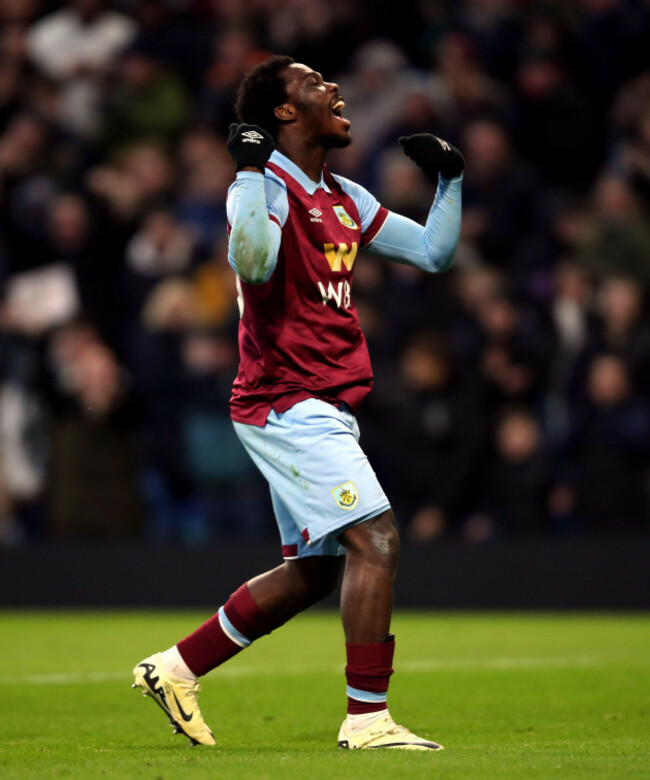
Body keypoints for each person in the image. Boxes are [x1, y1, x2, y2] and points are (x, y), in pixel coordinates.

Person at [132, 54, 464, 751]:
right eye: (316, 84)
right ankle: (368, 719)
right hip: (288, 399)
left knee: (316, 570)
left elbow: (433, 251)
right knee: (376, 539)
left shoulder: (344, 195)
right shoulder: (265, 187)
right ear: (284, 113)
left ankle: (176, 667)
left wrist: (451, 180)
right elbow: (251, 263)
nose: (334, 89)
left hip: (324, 403)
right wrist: (249, 171)